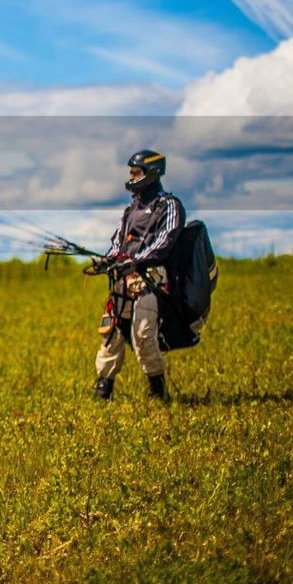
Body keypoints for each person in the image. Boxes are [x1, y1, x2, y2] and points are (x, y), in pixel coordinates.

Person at [92, 150, 184, 402]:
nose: (131, 177)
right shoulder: (130, 210)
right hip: (125, 280)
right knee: (111, 333)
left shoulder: (169, 206)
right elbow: (117, 243)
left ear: (151, 174)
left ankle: (157, 390)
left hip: (151, 280)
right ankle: (103, 390)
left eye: (136, 172)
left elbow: (164, 242)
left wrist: (135, 261)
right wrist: (107, 260)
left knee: (142, 334)